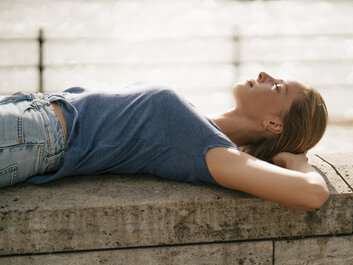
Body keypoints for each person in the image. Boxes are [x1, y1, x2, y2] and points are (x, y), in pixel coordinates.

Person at [0, 72, 329, 211]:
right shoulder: (200, 125)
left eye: (277, 87)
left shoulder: (213, 151)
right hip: (24, 117)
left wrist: (298, 162)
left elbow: (313, 194)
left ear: (273, 124)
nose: (264, 75)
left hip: (31, 137)